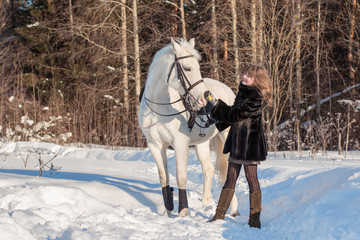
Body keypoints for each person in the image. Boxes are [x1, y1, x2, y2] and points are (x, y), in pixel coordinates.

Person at [207, 64, 273, 229]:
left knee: (252, 179)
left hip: (250, 144)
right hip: (237, 142)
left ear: (256, 80)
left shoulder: (256, 97)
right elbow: (231, 114)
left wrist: (215, 105)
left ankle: (255, 219)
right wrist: (213, 113)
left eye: (248, 76)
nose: (244, 77)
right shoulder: (243, 93)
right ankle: (219, 215)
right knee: (231, 177)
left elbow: (235, 115)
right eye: (244, 74)